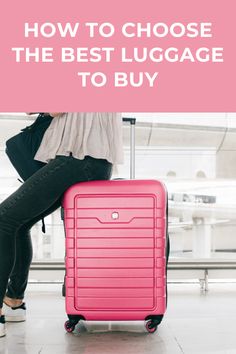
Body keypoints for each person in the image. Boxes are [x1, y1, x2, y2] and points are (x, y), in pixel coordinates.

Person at [0, 112, 124, 337]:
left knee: (4, 219)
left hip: (76, 160)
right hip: (95, 162)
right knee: (19, 223)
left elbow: (54, 106)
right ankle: (13, 302)